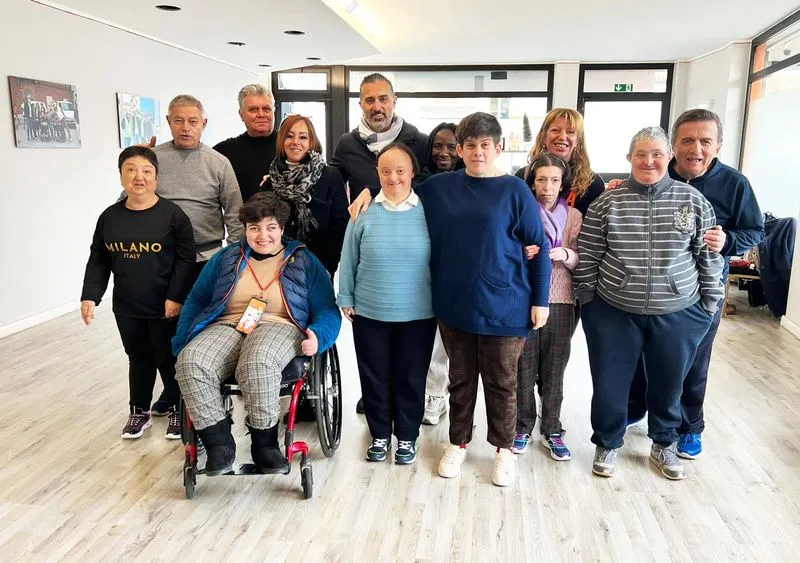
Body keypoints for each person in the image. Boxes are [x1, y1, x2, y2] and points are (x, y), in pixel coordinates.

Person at [349, 112, 552, 487]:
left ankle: (504, 450)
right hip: (455, 305)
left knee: (502, 382)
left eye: (485, 145)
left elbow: (538, 249)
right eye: (470, 145)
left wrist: (541, 300)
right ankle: (458, 442)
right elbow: (398, 186)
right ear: (460, 149)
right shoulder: (440, 187)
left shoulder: (515, 190)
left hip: (506, 306)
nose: (478, 152)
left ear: (498, 148)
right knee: (460, 381)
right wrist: (367, 191)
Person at [575, 126, 724, 481]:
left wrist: (708, 304)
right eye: (641, 154)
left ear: (669, 157)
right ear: (629, 158)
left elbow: (707, 256)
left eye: (657, 154)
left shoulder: (692, 201)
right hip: (613, 311)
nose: (649, 161)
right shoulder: (607, 203)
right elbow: (589, 255)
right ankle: (607, 442)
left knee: (669, 385)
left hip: (679, 312)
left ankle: (664, 442)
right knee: (610, 384)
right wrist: (589, 303)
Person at [624, 109, 765, 459]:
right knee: (643, 353)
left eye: (705, 141)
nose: (696, 149)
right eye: (687, 140)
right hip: (654, 288)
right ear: (673, 146)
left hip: (704, 292)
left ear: (718, 146)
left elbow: (755, 230)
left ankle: (689, 427)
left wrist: (728, 240)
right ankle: (637, 407)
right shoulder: (657, 172)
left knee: (693, 360)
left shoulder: (735, 184)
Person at [173, 192, 341, 476]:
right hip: (228, 323)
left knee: (257, 361)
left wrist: (318, 335)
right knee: (191, 361)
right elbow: (197, 300)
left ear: (282, 229)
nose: (263, 236)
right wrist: (182, 341)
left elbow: (326, 308)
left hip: (281, 324)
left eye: (270, 227)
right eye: (254, 228)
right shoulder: (226, 258)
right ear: (245, 230)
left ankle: (264, 444)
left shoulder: (303, 260)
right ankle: (218, 444)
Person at [80, 146, 196, 440]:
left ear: (156, 177)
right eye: (131, 170)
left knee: (168, 358)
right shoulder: (110, 217)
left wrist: (176, 297)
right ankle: (139, 411)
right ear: (121, 176)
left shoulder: (173, 216)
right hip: (127, 305)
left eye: (146, 171)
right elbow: (99, 258)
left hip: (165, 305)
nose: (139, 177)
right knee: (138, 358)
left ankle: (177, 409)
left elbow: (186, 259)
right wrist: (90, 295)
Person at [331, 72, 428, 415]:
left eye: (383, 99)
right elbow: (331, 181)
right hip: (369, 241)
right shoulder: (347, 143)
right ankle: (377, 402)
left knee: (409, 355)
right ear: (360, 104)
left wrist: (373, 189)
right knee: (374, 352)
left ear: (394, 101)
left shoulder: (418, 140)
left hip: (410, 249)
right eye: (369, 100)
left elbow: (427, 184)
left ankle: (408, 405)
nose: (377, 106)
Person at [338, 143, 436, 464]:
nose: (393, 177)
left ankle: (407, 435)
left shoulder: (428, 210)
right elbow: (349, 257)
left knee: (411, 377)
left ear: (412, 172)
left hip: (419, 311)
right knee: (375, 376)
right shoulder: (363, 210)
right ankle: (379, 433)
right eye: (386, 171)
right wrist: (346, 296)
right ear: (377, 174)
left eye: (400, 171)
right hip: (370, 310)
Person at [146, 94, 243, 415]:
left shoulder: (218, 162)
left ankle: (203, 389)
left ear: (204, 123)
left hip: (205, 260)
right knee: (162, 331)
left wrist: (236, 258)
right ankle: (172, 391)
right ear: (168, 122)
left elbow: (234, 213)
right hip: (161, 260)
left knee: (201, 328)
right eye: (178, 121)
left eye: (192, 121)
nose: (185, 128)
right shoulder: (154, 159)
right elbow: (130, 200)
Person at [512, 153, 582, 461]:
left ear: (563, 184)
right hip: (524, 298)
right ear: (532, 182)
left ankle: (552, 428)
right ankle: (522, 426)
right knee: (522, 368)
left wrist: (565, 254)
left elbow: (583, 258)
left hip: (563, 299)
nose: (548, 187)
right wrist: (522, 253)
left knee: (555, 370)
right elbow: (504, 251)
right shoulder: (521, 211)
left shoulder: (574, 216)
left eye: (554, 180)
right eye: (541, 179)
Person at [261, 115, 348, 277]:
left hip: (319, 266)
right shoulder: (271, 181)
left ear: (311, 142)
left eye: (303, 137)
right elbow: (264, 227)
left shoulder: (330, 176)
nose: (296, 142)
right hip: (278, 268)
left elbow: (341, 225)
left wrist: (328, 266)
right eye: (289, 136)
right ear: (282, 140)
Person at [416, 122, 462, 426]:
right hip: (419, 268)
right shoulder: (418, 182)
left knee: (446, 339)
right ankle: (423, 392)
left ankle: (437, 393)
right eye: (437, 145)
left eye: (451, 146)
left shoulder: (469, 182)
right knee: (424, 336)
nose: (443, 152)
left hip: (456, 269)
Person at [516, 108, 605, 217]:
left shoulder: (593, 182)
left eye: (570, 132)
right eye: (555, 130)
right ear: (544, 136)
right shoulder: (522, 177)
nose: (562, 137)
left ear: (578, 140)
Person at [214, 84, 278, 202]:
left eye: (266, 109)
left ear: (273, 111)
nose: (261, 114)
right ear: (241, 114)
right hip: (241, 214)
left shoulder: (291, 147)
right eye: (253, 109)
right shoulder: (223, 153)